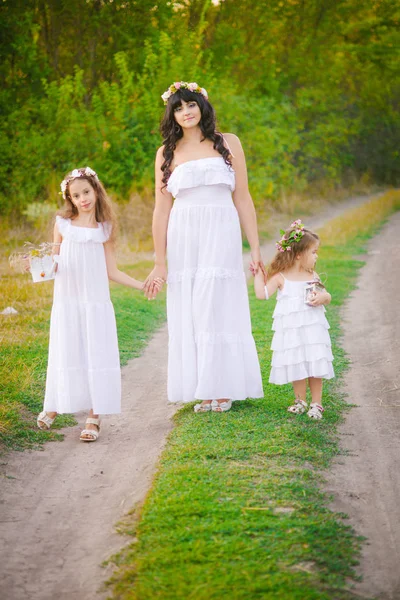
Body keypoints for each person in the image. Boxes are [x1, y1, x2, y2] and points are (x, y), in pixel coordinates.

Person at [144, 81, 264, 413]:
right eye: (179, 108)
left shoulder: (229, 143)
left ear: (203, 106)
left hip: (221, 230)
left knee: (216, 301)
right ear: (172, 114)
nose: (186, 112)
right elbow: (161, 210)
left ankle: (223, 386)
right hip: (184, 235)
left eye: (191, 105)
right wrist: (159, 261)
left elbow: (243, 198)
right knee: (193, 307)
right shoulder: (166, 153)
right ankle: (204, 388)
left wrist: (254, 248)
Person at [36, 167, 163, 441]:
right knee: (66, 348)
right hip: (68, 300)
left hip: (94, 302)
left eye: (86, 192)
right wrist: (36, 266)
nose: (83, 199)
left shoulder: (104, 229)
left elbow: (112, 271)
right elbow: (53, 263)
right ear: (69, 199)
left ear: (96, 191)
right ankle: (55, 404)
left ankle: (94, 417)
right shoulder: (62, 225)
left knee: (96, 353)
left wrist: (141, 284)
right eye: (76, 195)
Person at [254, 220, 334, 420]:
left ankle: (317, 403)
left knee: (315, 362)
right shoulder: (281, 277)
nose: (316, 256)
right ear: (299, 254)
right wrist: (257, 274)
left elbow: (325, 295)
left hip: (312, 329)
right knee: (297, 361)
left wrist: (324, 298)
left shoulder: (311, 275)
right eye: (313, 252)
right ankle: (300, 400)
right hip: (292, 331)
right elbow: (262, 294)